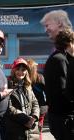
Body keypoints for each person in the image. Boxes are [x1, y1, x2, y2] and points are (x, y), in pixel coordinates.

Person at [40, 10, 74, 140]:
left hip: (62, 117)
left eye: (47, 25)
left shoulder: (61, 58)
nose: (46, 29)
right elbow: (64, 90)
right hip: (63, 119)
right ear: (70, 43)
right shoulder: (59, 59)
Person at [4, 57, 40, 140]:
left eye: (23, 69)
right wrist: (25, 119)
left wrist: (34, 117)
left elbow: (35, 102)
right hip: (15, 129)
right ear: (13, 70)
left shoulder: (28, 85)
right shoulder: (7, 84)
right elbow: (8, 106)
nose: (21, 72)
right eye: (18, 69)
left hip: (31, 130)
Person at [27, 59, 47, 140]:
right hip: (41, 107)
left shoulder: (25, 78)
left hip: (29, 107)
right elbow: (47, 91)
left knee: (29, 129)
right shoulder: (40, 77)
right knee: (39, 129)